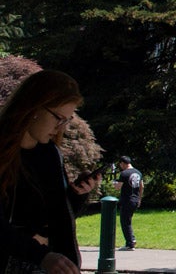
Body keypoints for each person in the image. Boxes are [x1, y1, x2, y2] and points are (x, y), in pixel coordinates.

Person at [0, 70, 100, 274]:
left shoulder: (50, 154)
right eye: (58, 118)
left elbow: (55, 216)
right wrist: (40, 254)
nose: (60, 127)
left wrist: (76, 195)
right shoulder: (4, 154)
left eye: (66, 120)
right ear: (34, 107)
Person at [114, 156, 142, 250]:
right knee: (128, 221)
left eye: (120, 164)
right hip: (135, 199)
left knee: (125, 221)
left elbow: (118, 187)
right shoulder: (138, 172)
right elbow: (142, 186)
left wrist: (114, 183)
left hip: (127, 200)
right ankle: (131, 240)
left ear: (123, 163)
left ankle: (130, 243)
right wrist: (139, 199)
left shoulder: (124, 173)